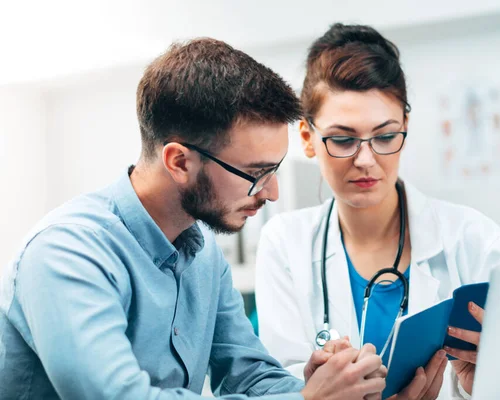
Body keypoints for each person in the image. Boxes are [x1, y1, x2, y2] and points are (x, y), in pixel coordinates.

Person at [0, 38, 387, 400]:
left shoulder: (203, 255)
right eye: (256, 173)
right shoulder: (67, 252)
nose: (271, 193)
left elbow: (250, 376)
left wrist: (324, 384)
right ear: (180, 162)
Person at [255, 23, 500, 399]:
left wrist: (489, 384)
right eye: (343, 139)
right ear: (307, 139)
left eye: (384, 136)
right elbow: (281, 387)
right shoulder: (284, 244)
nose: (366, 160)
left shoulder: (479, 242)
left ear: (405, 128)